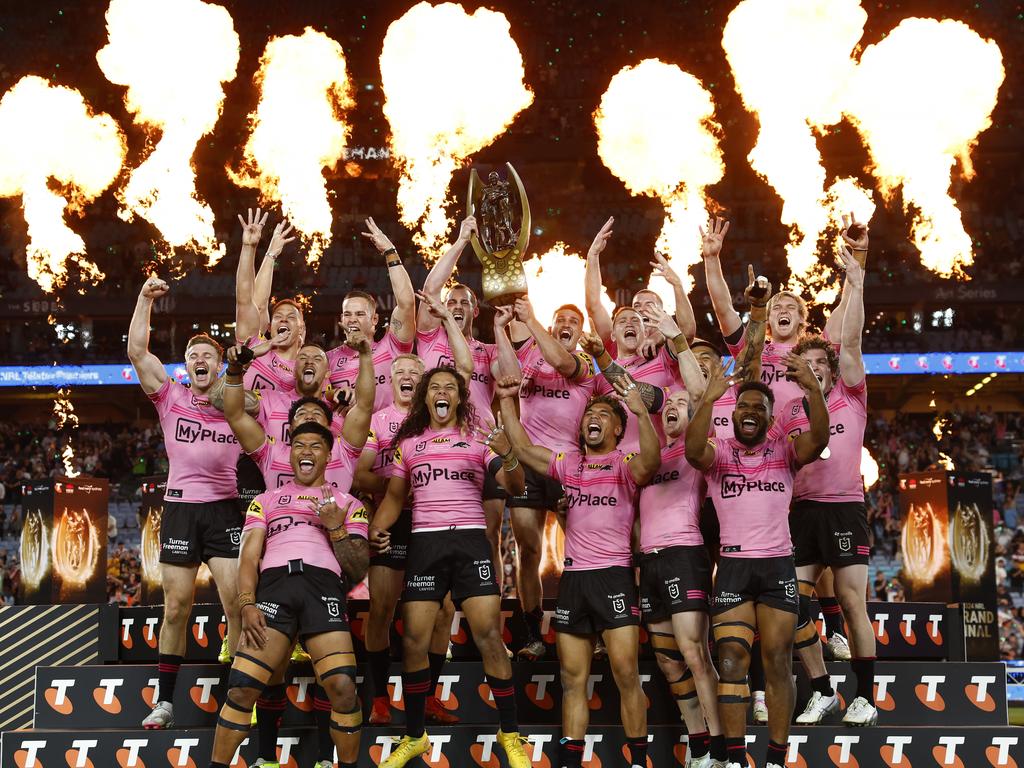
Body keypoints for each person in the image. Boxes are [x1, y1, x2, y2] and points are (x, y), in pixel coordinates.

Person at [222, 332, 374, 768]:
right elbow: (233, 409)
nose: (307, 437)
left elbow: (363, 405)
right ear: (289, 440)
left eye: (316, 424)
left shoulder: (344, 456)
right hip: (277, 570)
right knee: (266, 679)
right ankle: (266, 757)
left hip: (330, 576)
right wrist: (236, 368)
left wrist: (364, 355)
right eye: (299, 427)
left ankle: (330, 759)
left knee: (339, 680)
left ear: (329, 437)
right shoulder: (273, 460)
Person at [368, 366, 530, 768]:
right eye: (434, 388)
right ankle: (415, 736)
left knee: (489, 636)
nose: (441, 393)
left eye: (449, 389)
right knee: (414, 641)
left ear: (459, 398)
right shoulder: (410, 443)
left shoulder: (479, 438)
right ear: (425, 398)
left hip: (470, 541)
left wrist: (509, 454)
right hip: (426, 542)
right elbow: (393, 497)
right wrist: (376, 528)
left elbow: (516, 486)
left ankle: (510, 734)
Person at [499, 375, 660, 768]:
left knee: (626, 674)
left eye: (604, 415)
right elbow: (522, 447)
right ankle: (570, 762)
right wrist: (506, 399)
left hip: (614, 577)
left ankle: (638, 761)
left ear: (618, 429)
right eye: (590, 413)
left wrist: (642, 412)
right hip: (575, 581)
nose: (594, 418)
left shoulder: (624, 463)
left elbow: (651, 463)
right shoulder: (568, 463)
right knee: (572, 681)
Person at [685, 357, 829, 768]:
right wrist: (707, 401)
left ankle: (776, 759)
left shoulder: (785, 450)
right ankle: (734, 759)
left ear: (769, 418)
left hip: (777, 565)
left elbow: (818, 440)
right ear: (733, 415)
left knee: (779, 660)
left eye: (759, 409)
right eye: (744, 407)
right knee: (730, 659)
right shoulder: (721, 453)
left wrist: (813, 391)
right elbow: (694, 452)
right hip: (732, 567)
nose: (750, 412)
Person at [128, 277, 242, 730]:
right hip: (180, 508)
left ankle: (239, 698)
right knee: (176, 606)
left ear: (219, 365)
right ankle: (166, 702)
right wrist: (144, 299)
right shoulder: (170, 396)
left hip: (226, 509)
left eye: (207, 356)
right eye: (192, 356)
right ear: (186, 366)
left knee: (236, 603)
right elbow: (138, 352)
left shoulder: (236, 403)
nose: (198, 360)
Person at [786, 224, 877, 727]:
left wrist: (856, 276)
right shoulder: (793, 411)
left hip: (844, 506)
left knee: (849, 599)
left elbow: (854, 337)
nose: (818, 367)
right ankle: (821, 689)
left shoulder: (851, 395)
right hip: (801, 512)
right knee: (792, 603)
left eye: (824, 361)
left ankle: (863, 696)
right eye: (809, 362)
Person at [633, 308, 728, 768]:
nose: (671, 408)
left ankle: (720, 743)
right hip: (649, 563)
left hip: (683, 554)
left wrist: (675, 339)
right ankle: (700, 745)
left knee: (694, 652)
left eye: (679, 406)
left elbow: (697, 390)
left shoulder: (697, 447)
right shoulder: (650, 454)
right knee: (670, 661)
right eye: (665, 406)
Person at [355, 353, 458, 727]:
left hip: (432, 521)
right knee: (381, 608)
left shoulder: (436, 422)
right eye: (399, 372)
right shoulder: (377, 422)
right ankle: (379, 700)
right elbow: (360, 473)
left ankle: (429, 698)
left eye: (415, 373)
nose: (407, 377)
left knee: (445, 610)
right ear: (390, 380)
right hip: (392, 520)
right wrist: (397, 487)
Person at [415, 216, 519, 581]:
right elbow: (430, 288)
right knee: (434, 532)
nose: (456, 305)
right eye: (452, 301)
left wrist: (500, 330)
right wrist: (461, 241)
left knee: (487, 534)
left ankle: (487, 599)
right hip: (435, 446)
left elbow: (512, 376)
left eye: (465, 301)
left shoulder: (487, 351)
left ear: (475, 310)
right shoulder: (429, 337)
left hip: (481, 445)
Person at [496, 297, 599, 660]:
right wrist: (499, 328)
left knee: (584, 551)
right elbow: (506, 378)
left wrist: (535, 319)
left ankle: (595, 627)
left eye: (573, 320)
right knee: (528, 550)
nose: (566, 323)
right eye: (561, 319)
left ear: (579, 331)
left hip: (566, 466)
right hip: (527, 464)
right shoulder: (530, 355)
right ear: (553, 326)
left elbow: (560, 361)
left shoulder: (583, 364)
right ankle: (532, 633)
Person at [328, 219, 416, 410]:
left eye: (360, 314)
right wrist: (331, 393)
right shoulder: (328, 359)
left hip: (389, 435)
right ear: (341, 319)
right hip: (347, 437)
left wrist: (390, 252)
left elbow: (407, 304)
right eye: (347, 314)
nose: (352, 319)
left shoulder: (392, 348)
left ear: (374, 319)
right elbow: (312, 390)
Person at [233, 208, 300, 393]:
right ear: (269, 326)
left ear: (302, 328)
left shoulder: (307, 365)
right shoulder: (255, 348)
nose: (284, 319)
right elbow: (250, 302)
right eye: (278, 316)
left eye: (292, 317)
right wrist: (252, 248)